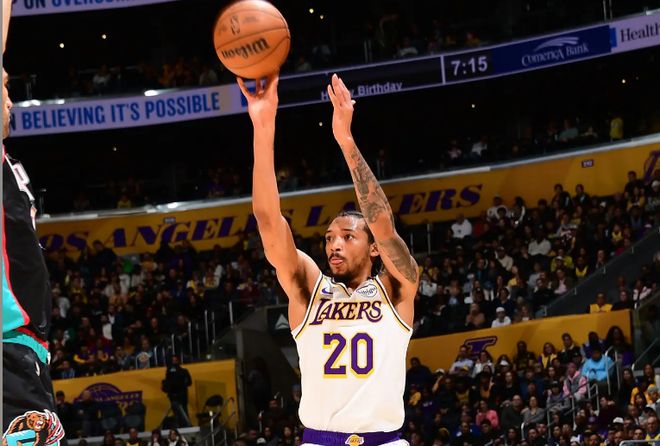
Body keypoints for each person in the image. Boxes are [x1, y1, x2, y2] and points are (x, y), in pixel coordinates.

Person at [238, 72, 418, 445]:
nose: (334, 244)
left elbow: (383, 225)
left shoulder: (397, 288)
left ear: (373, 248)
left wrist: (346, 140)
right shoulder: (309, 290)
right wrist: (263, 126)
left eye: (347, 237)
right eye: (329, 238)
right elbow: (269, 222)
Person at [2, 8, 66, 443]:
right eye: (5, 88)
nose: (11, 100)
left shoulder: (8, 164)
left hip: (22, 351)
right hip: (8, 351)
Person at [161, 355, 192, 427]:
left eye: (175, 361)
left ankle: (186, 425)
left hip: (182, 395)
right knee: (176, 412)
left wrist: (182, 384)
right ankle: (178, 425)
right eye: (173, 361)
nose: (174, 362)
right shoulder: (169, 372)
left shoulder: (184, 371)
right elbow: (167, 382)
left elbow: (189, 382)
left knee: (184, 410)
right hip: (173, 395)